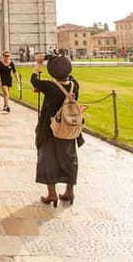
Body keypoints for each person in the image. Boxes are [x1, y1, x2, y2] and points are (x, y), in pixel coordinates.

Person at [32, 55, 82, 207]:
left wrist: (38, 65)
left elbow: (34, 80)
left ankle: (52, 194)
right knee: (69, 159)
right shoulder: (74, 85)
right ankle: (69, 191)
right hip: (69, 130)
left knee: (48, 159)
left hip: (51, 130)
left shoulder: (50, 86)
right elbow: (69, 76)